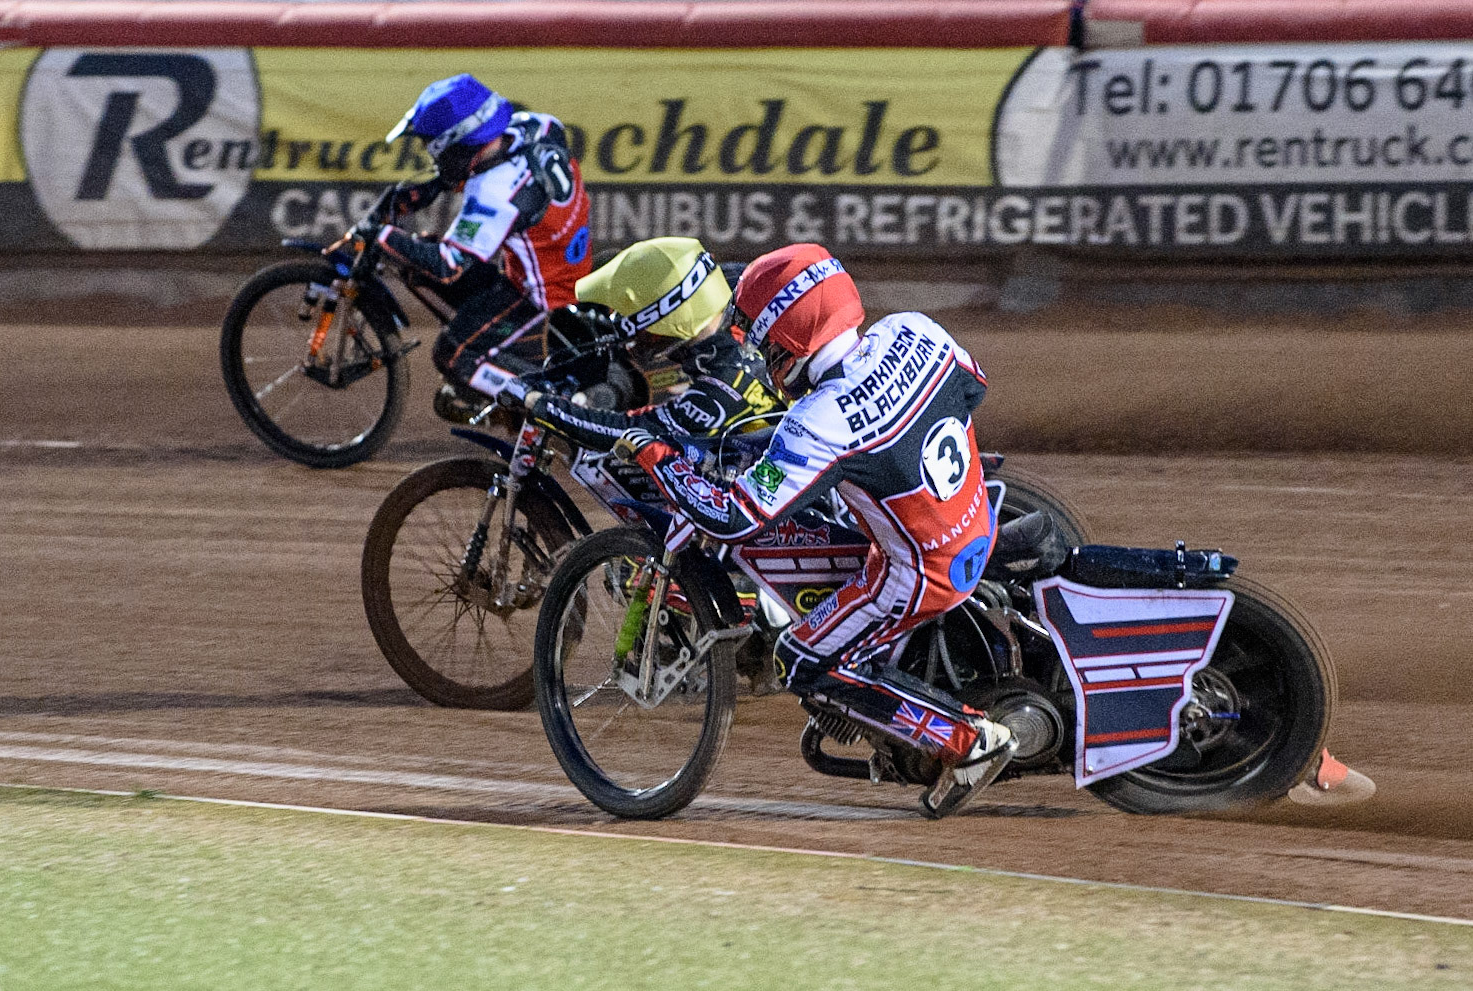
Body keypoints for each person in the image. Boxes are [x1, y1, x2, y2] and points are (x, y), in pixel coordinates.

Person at [613, 243, 1016, 818]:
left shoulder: (816, 421)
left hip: (918, 573)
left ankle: (968, 740)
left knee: (801, 660)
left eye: (764, 342)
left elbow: (733, 517)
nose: (762, 357)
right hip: (977, 516)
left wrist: (661, 459)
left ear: (791, 336)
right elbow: (972, 388)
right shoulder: (916, 329)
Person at [357, 73, 592, 400]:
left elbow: (447, 265)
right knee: (422, 251)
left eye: (431, 146)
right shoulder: (538, 126)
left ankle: (559, 402)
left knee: (453, 353)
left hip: (538, 291)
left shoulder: (493, 195)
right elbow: (484, 165)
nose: (431, 155)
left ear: (455, 142)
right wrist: (431, 186)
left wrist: (380, 236)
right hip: (569, 254)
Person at [513, 236, 784, 454]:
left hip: (773, 476)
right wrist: (547, 377)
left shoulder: (725, 383)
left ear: (673, 319)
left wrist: (548, 409)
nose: (637, 340)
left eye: (644, 330)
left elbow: (633, 430)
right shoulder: (729, 284)